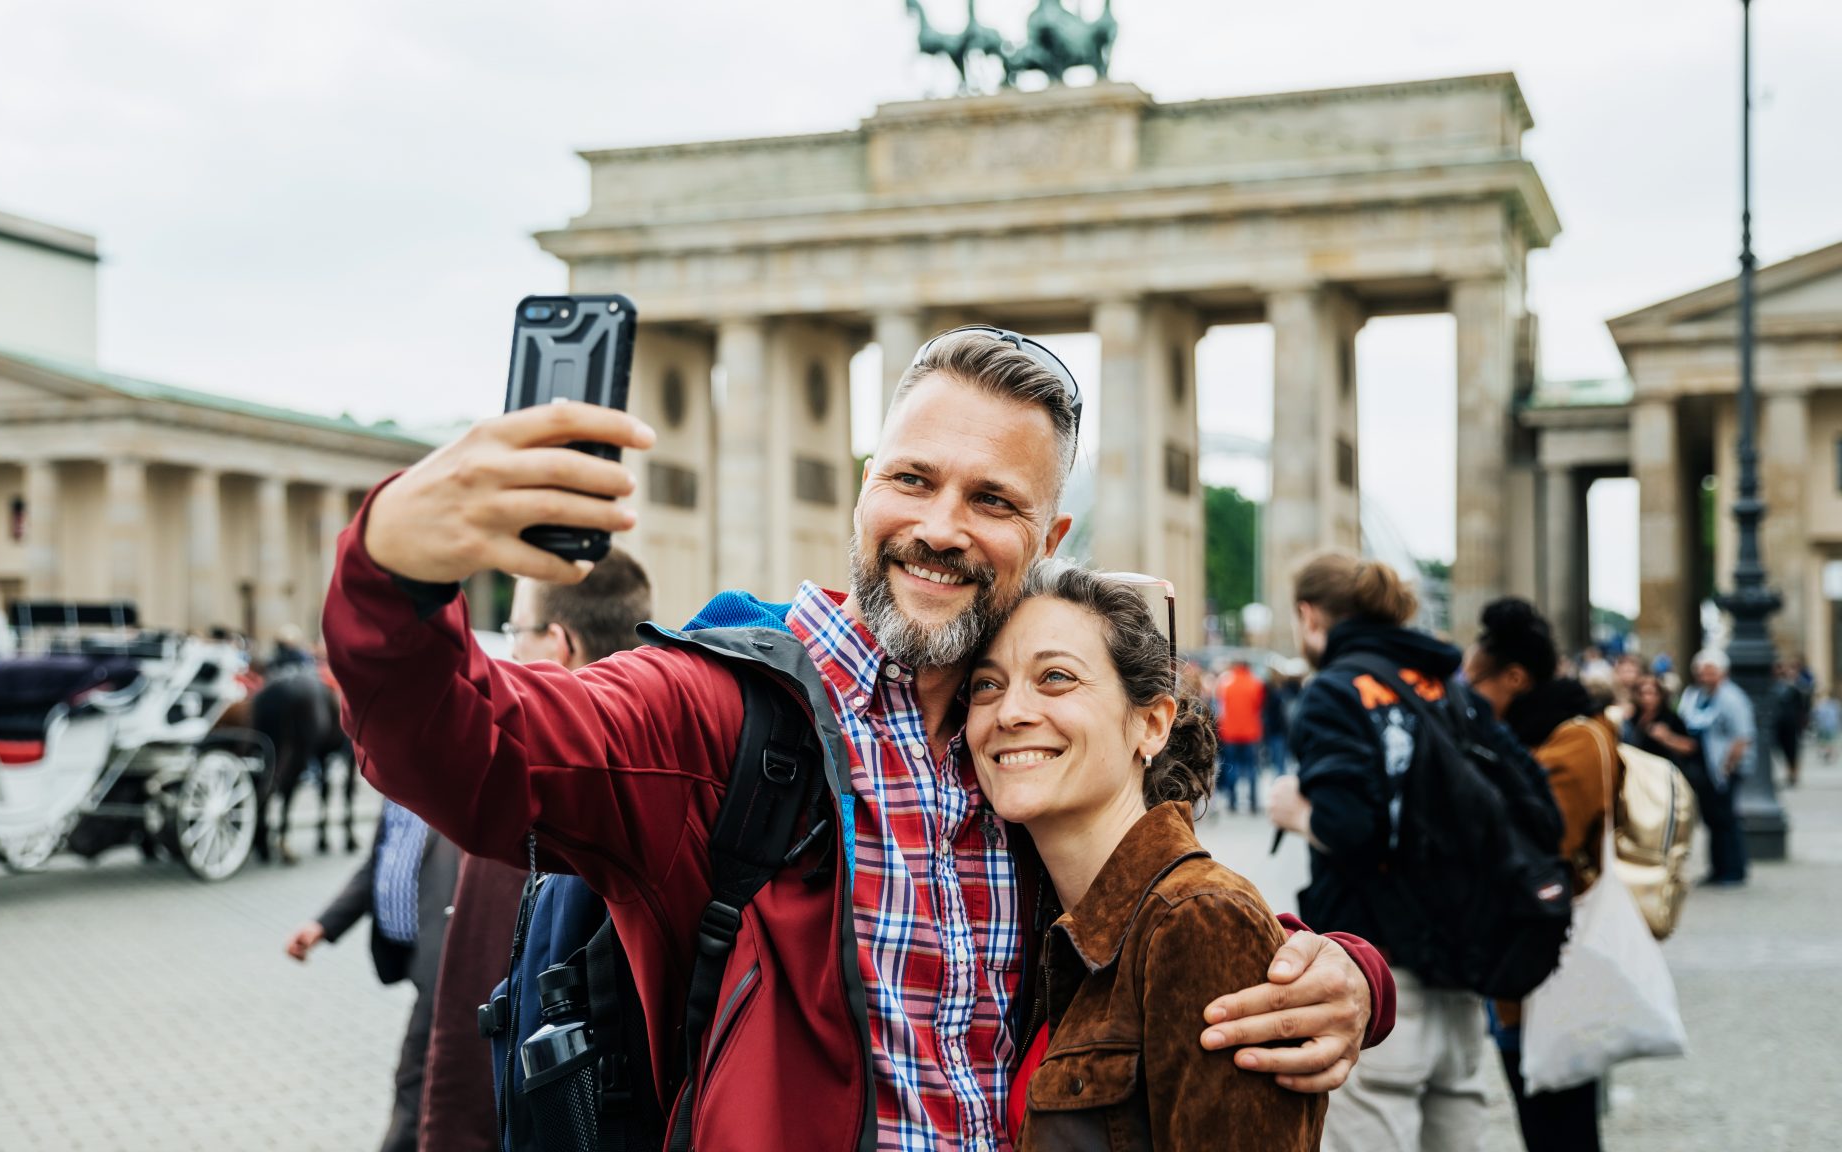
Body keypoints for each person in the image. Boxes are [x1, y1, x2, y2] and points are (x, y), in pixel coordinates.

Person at [324, 328, 1394, 1152]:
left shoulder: (1023, 745)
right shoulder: (716, 713)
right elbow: (477, 748)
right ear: (866, 484)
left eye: (993, 500)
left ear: (1049, 540)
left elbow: (1161, 913)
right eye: (914, 479)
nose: (940, 526)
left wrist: (1345, 973)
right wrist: (392, 574)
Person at [972, 561, 1325, 1149]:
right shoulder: (1040, 921)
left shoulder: (1198, 921)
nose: (1010, 712)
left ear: (1152, 723)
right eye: (986, 684)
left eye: (1056, 677)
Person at [1265, 551, 1549, 1152]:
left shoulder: (1336, 692)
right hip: (1465, 963)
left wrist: (1295, 811)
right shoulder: (1449, 687)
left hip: (1380, 972)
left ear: (1310, 616)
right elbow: (1539, 803)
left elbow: (1352, 829)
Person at [417, 553, 655, 1152]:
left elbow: (468, 1015)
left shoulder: (525, 795)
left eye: (517, 632)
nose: (509, 651)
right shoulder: (673, 766)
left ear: (557, 642)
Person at [1462, 598, 1618, 1152]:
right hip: (1523, 959)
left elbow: (1538, 838)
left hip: (1555, 962)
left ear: (1515, 677)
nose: (1467, 692)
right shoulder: (1535, 733)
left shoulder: (1575, 741)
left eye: (1474, 679)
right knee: (1543, 1124)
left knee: (1562, 1129)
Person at [287, 798, 461, 1152]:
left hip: (444, 961)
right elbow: (377, 865)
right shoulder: (395, 791)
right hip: (411, 957)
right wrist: (323, 925)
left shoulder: (450, 787)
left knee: (416, 1077)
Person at [1677, 650, 1752, 886]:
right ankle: (1718, 868)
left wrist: (1728, 766)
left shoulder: (1732, 698)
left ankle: (1733, 869)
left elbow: (1742, 736)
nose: (1705, 676)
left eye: (1710, 671)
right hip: (1703, 767)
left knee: (1727, 819)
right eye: (1701, 671)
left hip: (1723, 768)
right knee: (1712, 819)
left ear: (1722, 672)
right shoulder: (1696, 696)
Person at [1214, 657, 1265, 812]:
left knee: (1232, 767)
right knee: (1251, 768)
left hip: (1230, 732)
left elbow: (1220, 706)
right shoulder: (1256, 683)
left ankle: (1232, 801)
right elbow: (1259, 706)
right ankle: (1253, 803)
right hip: (1250, 732)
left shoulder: (1226, 683)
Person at [1772, 659, 1811, 788]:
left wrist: (1803, 722)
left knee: (1792, 750)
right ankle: (1789, 772)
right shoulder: (1774, 687)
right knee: (1780, 749)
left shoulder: (1796, 688)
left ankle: (1793, 774)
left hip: (1792, 724)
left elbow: (1803, 707)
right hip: (1778, 724)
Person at [1262, 666, 1298, 777]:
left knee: (1278, 760)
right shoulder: (1279, 691)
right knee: (1279, 760)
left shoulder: (1271, 691)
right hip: (1279, 728)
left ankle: (1280, 779)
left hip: (1276, 729)